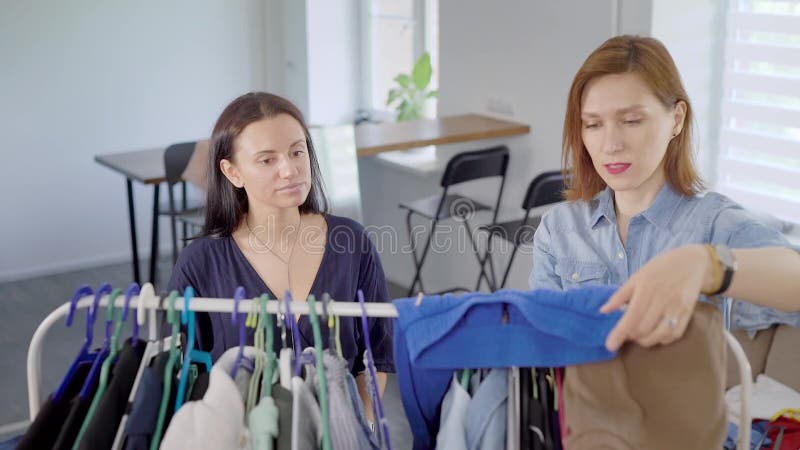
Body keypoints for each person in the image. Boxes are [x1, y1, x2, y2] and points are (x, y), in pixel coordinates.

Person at [530, 35, 800, 351]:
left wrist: (706, 265)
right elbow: (539, 342)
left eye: (631, 121)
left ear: (676, 119)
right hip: (581, 400)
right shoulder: (559, 229)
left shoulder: (713, 224)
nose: (611, 144)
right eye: (593, 125)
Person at [167, 92, 393, 417]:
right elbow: (182, 373)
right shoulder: (200, 263)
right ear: (233, 173)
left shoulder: (351, 242)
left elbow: (377, 354)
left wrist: (364, 424)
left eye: (297, 151)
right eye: (267, 159)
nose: (290, 170)